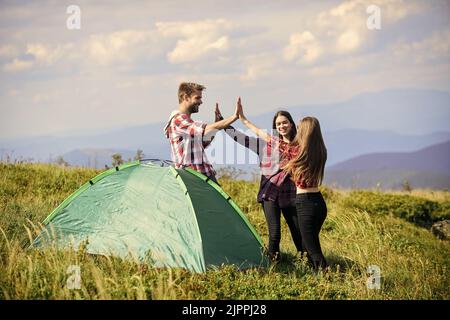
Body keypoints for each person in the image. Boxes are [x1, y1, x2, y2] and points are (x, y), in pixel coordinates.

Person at [219, 98, 303, 262]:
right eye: (278, 124)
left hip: (290, 195)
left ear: (291, 124)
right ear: (275, 128)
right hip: (270, 194)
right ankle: (273, 265)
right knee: (275, 233)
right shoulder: (266, 145)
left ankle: (306, 262)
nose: (282, 126)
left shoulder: (298, 147)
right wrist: (223, 123)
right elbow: (241, 138)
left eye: (285, 123)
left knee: (297, 231)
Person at [164, 82, 241, 185]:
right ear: (185, 97)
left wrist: (216, 124)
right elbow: (204, 130)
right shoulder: (178, 120)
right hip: (194, 178)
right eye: (197, 98)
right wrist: (233, 117)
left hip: (202, 176)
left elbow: (203, 142)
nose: (201, 102)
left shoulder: (187, 122)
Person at [283, 116, 328, 272]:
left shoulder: (296, 152)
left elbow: (272, 140)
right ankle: (314, 275)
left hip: (305, 203)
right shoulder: (321, 151)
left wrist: (245, 121)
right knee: (307, 244)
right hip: (319, 203)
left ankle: (326, 278)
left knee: (313, 250)